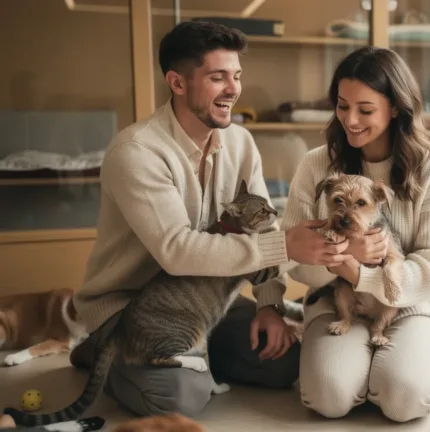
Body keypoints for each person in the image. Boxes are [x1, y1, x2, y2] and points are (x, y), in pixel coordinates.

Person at [69, 21, 350, 418]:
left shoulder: (240, 142)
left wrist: (269, 305)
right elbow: (178, 253)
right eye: (218, 78)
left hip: (206, 304)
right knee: (180, 399)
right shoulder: (136, 152)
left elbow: (262, 226)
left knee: (285, 361)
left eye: (236, 76)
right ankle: (104, 353)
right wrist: (284, 246)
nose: (233, 89)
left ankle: (197, 352)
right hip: (128, 311)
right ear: (177, 83)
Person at [281, 46, 430, 422]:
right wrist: (349, 259)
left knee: (404, 399)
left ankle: (402, 363)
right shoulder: (316, 164)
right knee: (328, 396)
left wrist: (360, 272)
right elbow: (295, 257)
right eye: (341, 105)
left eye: (365, 110)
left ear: (396, 107)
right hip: (340, 301)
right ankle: (364, 369)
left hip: (417, 301)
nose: (350, 119)